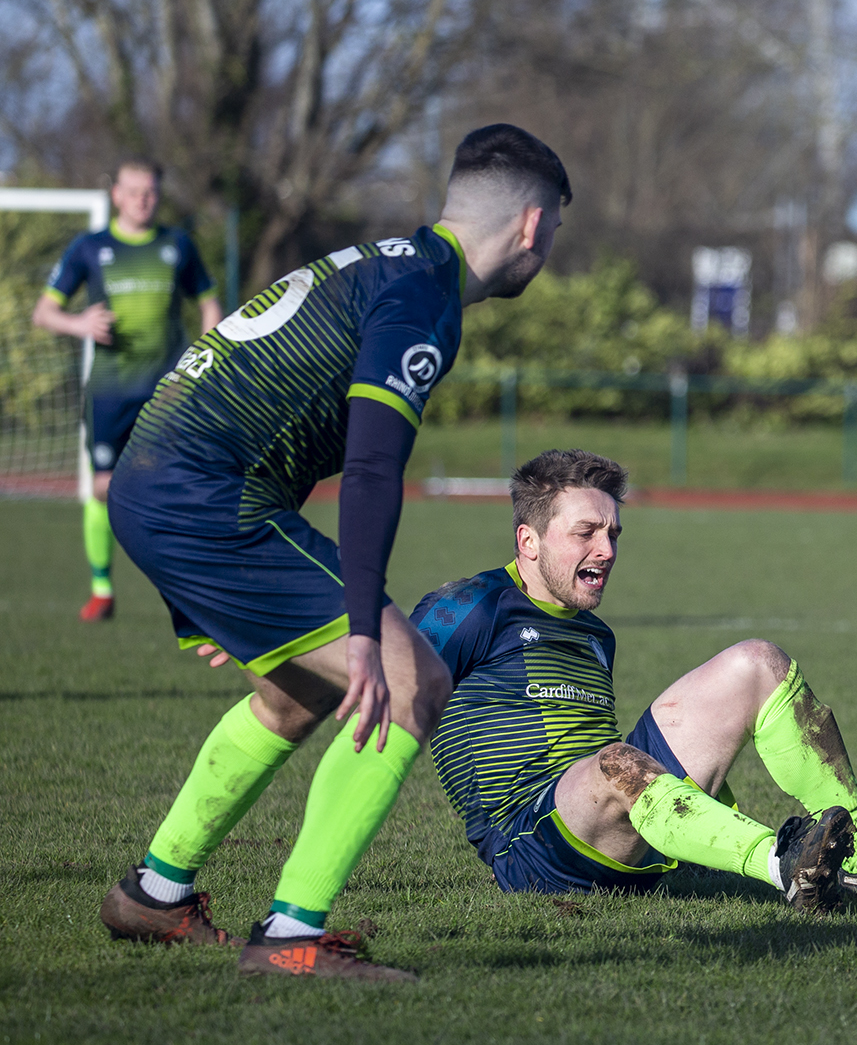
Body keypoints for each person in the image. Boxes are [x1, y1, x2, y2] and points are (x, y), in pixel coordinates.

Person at [97, 124, 569, 982]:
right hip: (204, 496)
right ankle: (290, 936)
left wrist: (200, 586)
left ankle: (154, 893)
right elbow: (372, 463)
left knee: (296, 693)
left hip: (157, 481)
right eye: (554, 236)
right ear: (532, 226)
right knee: (409, 677)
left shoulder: (384, 261)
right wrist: (362, 622)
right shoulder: (422, 293)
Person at [415, 449, 857, 912]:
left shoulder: (595, 634)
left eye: (614, 533)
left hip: (613, 821)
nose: (607, 550)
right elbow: (383, 692)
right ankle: (785, 866)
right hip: (530, 847)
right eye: (586, 532)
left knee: (758, 662)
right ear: (528, 540)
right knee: (618, 760)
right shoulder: (468, 607)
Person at [31, 160, 222, 621]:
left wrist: (206, 357)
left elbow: (209, 304)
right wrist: (78, 323)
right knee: (101, 488)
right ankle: (102, 589)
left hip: (168, 393)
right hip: (110, 392)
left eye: (151, 192)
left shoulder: (177, 245)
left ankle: (186, 595)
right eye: (134, 191)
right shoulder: (90, 248)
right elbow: (43, 312)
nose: (143, 199)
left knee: (174, 489)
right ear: (116, 194)